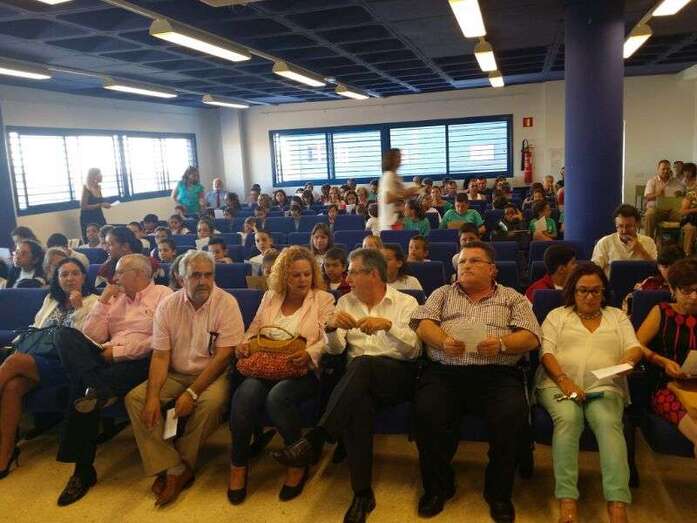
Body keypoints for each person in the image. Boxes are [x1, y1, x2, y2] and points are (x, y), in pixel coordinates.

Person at [270, 248, 421, 523]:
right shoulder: (345, 302)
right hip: (356, 382)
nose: (346, 277)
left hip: (396, 375)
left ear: (372, 274)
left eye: (351, 272)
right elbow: (337, 350)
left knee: (363, 365)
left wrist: (388, 326)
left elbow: (413, 351)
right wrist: (330, 329)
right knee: (357, 406)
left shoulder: (405, 302)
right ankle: (362, 494)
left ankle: (317, 437)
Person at [410, 240, 541, 520]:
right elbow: (423, 324)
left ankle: (498, 494)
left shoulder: (513, 297)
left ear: (492, 269)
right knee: (427, 412)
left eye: (474, 261)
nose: (466, 265)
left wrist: (503, 344)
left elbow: (531, 336)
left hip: (497, 374)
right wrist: (443, 341)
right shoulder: (442, 293)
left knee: (511, 415)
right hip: (446, 372)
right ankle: (438, 488)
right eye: (462, 261)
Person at [52, 254, 172, 505]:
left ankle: (83, 471)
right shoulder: (114, 298)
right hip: (102, 359)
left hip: (141, 361)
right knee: (63, 335)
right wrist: (103, 302)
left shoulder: (163, 295)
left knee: (80, 389)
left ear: (139, 274)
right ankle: (97, 387)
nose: (113, 278)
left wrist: (118, 353)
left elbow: (161, 341)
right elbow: (91, 336)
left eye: (119, 272)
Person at [125, 250, 243, 506]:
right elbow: (160, 356)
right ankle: (174, 466)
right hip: (176, 373)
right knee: (136, 399)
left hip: (212, 374)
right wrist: (153, 397)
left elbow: (223, 357)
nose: (203, 281)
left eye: (208, 275)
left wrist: (191, 393)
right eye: (196, 275)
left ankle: (179, 465)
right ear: (180, 279)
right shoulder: (168, 306)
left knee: (211, 403)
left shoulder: (227, 303)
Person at [536, 263, 643, 523]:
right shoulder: (557, 316)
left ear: (604, 292)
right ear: (572, 291)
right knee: (569, 419)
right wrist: (565, 381)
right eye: (583, 290)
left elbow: (634, 347)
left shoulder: (617, 317)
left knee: (608, 423)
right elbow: (546, 353)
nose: (589, 296)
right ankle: (567, 500)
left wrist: (628, 362)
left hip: (604, 385)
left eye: (596, 291)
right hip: (557, 383)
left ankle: (617, 504)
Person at [228, 246, 335, 504]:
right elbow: (254, 329)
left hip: (301, 370)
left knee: (277, 397)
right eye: (295, 275)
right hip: (265, 364)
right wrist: (244, 344)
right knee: (245, 394)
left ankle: (298, 461)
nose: (302, 280)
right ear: (283, 276)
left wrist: (309, 354)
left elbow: (328, 339)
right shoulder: (270, 296)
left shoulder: (323, 299)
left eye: (307, 274)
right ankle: (238, 465)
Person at [0, 258, 98, 478]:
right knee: (12, 388)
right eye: (64, 274)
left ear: (84, 277)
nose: (70, 278)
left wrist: (78, 308)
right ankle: (6, 453)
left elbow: (89, 338)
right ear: (57, 279)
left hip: (66, 364)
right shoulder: (51, 299)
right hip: (39, 358)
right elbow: (36, 327)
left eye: (75, 273)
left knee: (15, 362)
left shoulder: (94, 301)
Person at [636, 257, 697, 458]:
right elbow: (636, 345)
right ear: (673, 289)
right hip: (665, 385)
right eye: (686, 291)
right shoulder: (662, 311)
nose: (694, 297)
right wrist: (662, 361)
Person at [591, 204, 657, 277]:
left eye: (629, 226)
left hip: (642, 283)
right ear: (616, 226)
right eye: (620, 226)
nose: (624, 231)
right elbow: (594, 271)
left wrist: (641, 250)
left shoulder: (648, 242)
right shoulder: (605, 243)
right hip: (612, 284)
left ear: (637, 225)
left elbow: (655, 270)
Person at [621, 244, 685, 313]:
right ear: (659, 267)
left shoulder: (687, 287)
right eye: (665, 267)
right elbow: (630, 303)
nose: (669, 271)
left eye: (674, 266)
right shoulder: (649, 282)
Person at [379, 148, 420, 231]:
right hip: (390, 223)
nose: (400, 159)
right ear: (390, 159)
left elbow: (401, 195)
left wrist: (410, 192)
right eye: (397, 157)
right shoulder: (389, 176)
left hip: (397, 221)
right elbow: (387, 198)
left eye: (400, 157)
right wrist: (407, 193)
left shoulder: (396, 176)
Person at [644, 159, 684, 239]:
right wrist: (657, 194)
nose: (666, 171)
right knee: (649, 215)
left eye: (668, 169)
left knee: (687, 217)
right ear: (658, 169)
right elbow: (647, 196)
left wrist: (680, 193)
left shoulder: (676, 181)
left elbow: (683, 192)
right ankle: (648, 241)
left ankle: (680, 242)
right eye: (663, 169)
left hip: (672, 211)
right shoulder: (652, 181)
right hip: (657, 210)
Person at [79, 168, 109, 241]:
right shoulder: (86, 188)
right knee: (91, 238)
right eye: (100, 174)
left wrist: (105, 205)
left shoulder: (98, 187)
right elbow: (83, 206)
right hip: (88, 217)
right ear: (94, 176)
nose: (102, 176)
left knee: (104, 234)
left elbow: (100, 202)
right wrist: (100, 205)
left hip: (99, 215)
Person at [679, 162, 697, 254]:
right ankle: (687, 254)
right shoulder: (691, 194)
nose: (687, 173)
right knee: (690, 228)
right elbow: (682, 211)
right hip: (693, 218)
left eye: (689, 171)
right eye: (685, 171)